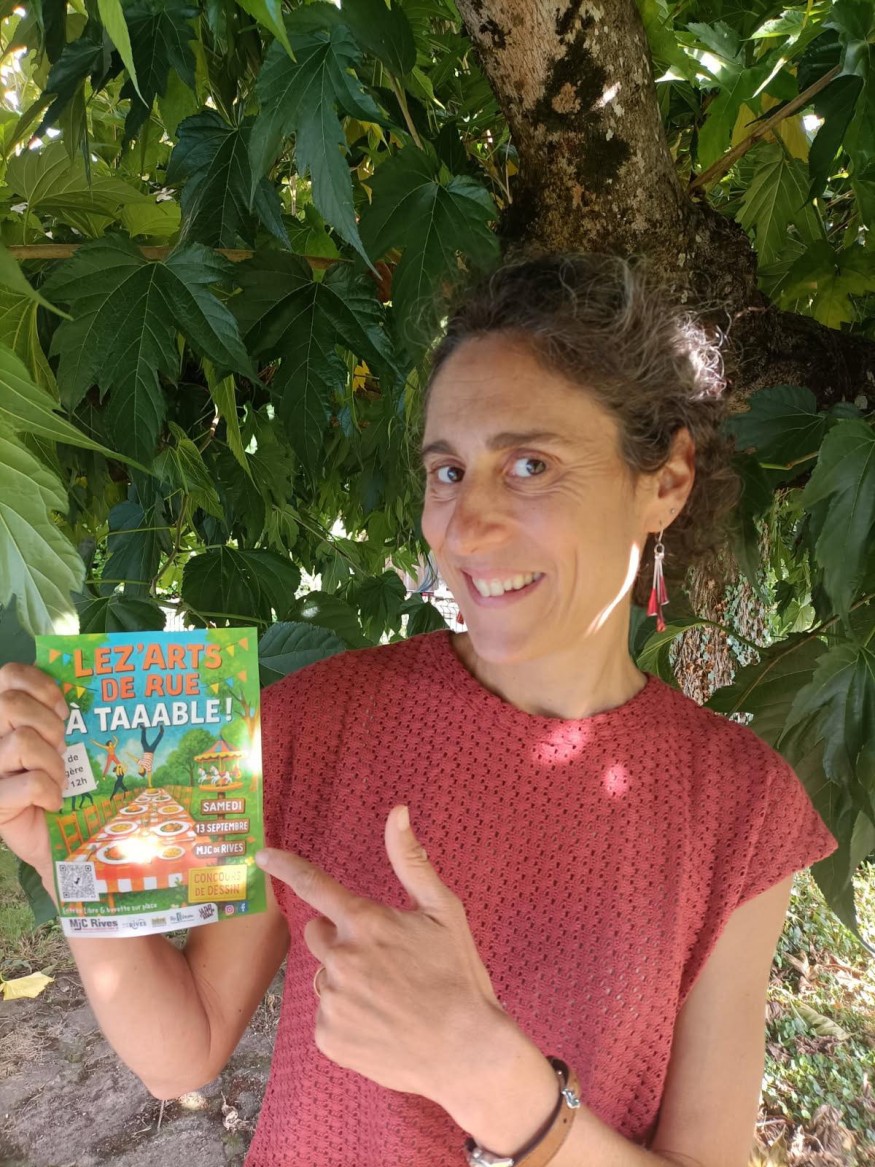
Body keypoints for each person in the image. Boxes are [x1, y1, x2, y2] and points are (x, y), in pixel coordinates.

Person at [0, 254, 836, 1167]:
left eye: (528, 464)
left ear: (665, 480)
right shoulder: (312, 723)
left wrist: (490, 1076)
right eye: (447, 470)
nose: (463, 526)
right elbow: (182, 1050)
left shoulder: (740, 807)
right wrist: (67, 859)